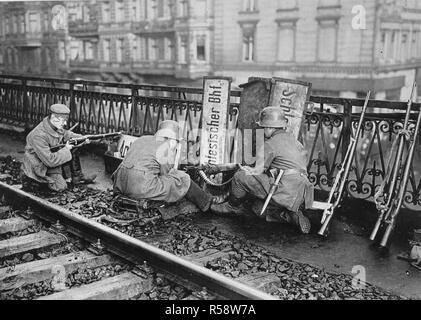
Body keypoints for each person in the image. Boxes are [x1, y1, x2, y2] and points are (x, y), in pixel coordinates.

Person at [211, 106, 314, 234]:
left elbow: (258, 171)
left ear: (269, 128)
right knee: (256, 208)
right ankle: (290, 215)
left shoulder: (270, 144)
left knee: (240, 177)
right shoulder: (296, 142)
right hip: (302, 192)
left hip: (283, 190)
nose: (263, 130)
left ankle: (231, 206)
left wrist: (248, 169)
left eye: (263, 127)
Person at [112, 120, 225, 212]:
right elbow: (167, 173)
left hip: (121, 184)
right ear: (172, 140)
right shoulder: (165, 147)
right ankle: (207, 203)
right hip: (141, 188)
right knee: (183, 178)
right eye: (176, 142)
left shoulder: (141, 139)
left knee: (170, 178)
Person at [21, 104, 96, 192]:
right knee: (60, 187)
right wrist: (66, 149)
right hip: (38, 167)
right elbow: (50, 161)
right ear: (54, 118)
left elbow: (67, 134)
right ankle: (31, 181)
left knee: (73, 144)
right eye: (63, 121)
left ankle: (77, 177)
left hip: (47, 163)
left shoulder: (54, 125)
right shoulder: (38, 135)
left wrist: (82, 138)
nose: (65, 124)